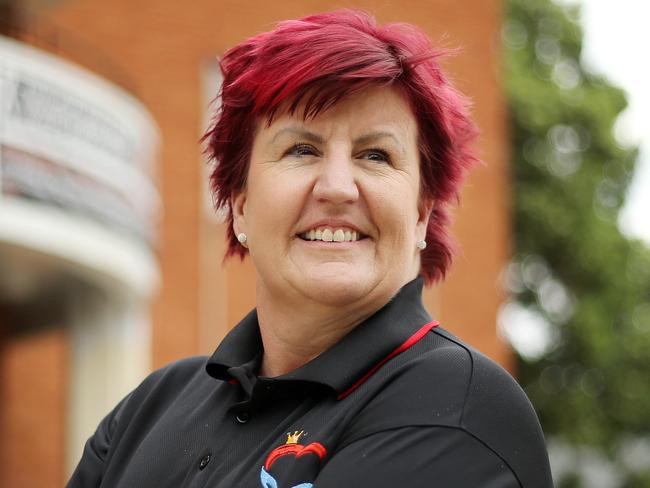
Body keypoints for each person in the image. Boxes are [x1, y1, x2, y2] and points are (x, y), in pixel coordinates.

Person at [68, 9, 553, 488]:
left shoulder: (457, 407)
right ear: (239, 207)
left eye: (375, 155)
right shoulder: (149, 408)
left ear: (422, 212)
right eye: (302, 149)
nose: (338, 187)